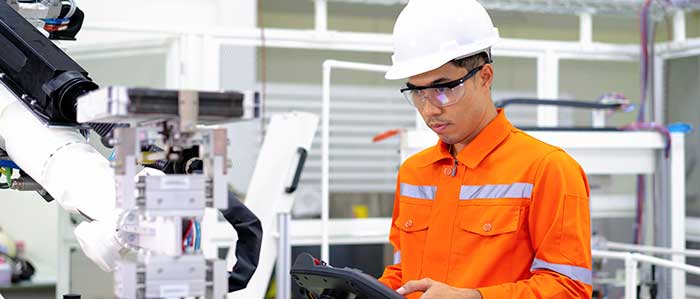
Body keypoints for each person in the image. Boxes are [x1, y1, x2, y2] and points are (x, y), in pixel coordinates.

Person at [377, 0, 592, 298]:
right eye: (417, 92)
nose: (429, 110)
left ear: (485, 77)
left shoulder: (547, 169)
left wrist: (475, 298)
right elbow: (403, 273)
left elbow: (569, 289)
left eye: (442, 89)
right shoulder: (414, 172)